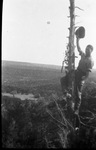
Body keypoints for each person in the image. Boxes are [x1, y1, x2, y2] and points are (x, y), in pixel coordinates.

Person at [60, 36, 94, 115]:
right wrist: (78, 39)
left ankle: (76, 109)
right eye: (86, 49)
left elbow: (88, 73)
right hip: (76, 72)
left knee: (78, 92)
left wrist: (83, 79)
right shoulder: (83, 55)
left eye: (88, 50)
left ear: (91, 51)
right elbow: (79, 48)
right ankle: (66, 94)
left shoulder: (90, 61)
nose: (86, 50)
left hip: (82, 75)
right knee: (63, 79)